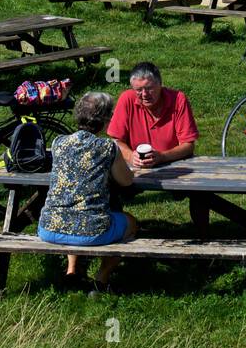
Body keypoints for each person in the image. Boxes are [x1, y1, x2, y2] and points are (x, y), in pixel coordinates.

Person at [38, 91, 139, 294]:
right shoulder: (107, 147)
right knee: (131, 223)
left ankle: (71, 271)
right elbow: (126, 181)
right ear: (106, 119)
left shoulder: (59, 142)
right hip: (92, 231)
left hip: (49, 227)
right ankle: (101, 279)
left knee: (73, 212)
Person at [106, 61, 199, 168]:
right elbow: (116, 141)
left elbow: (188, 145)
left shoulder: (178, 100)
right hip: (137, 169)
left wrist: (162, 156)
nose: (144, 94)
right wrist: (131, 156)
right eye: (139, 90)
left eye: (149, 88)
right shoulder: (127, 99)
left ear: (160, 84)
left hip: (172, 166)